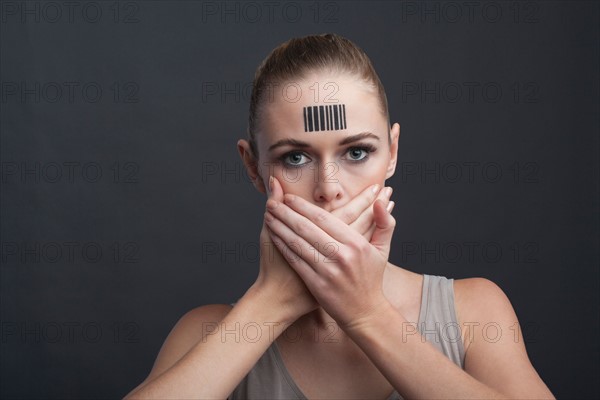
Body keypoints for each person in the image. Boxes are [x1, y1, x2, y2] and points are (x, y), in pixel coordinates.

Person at [123, 33, 555, 399]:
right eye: (295, 157)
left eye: (356, 152)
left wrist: (367, 314)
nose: (329, 187)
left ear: (393, 153)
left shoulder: (473, 312)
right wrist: (269, 305)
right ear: (254, 167)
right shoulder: (207, 333)